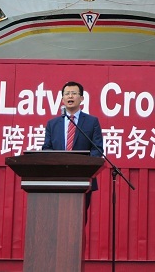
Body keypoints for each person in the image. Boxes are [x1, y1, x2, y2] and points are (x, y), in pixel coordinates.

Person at [41, 81, 103, 218]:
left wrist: (84, 169)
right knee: (55, 218)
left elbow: (97, 149)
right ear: (62, 99)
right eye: (67, 94)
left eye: (74, 93)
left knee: (78, 219)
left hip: (83, 179)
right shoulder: (52, 124)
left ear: (81, 98)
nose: (70, 96)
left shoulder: (92, 122)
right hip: (57, 179)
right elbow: (47, 149)